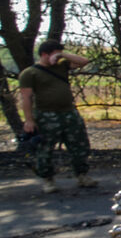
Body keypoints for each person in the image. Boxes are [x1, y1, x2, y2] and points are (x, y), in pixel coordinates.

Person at [18, 39, 97, 192]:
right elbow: (26, 98)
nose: (57, 58)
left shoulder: (62, 66)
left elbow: (84, 61)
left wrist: (63, 55)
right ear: (44, 54)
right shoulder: (29, 74)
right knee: (45, 148)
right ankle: (48, 180)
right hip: (45, 116)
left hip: (69, 113)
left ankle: (82, 175)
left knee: (79, 145)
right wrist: (29, 120)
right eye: (54, 54)